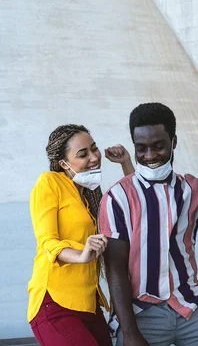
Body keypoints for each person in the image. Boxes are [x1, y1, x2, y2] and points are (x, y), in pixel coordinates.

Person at [98, 102, 198, 346]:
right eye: (141, 148)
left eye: (158, 146)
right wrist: (130, 334)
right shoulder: (117, 197)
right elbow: (115, 269)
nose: (150, 155)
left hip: (190, 304)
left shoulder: (193, 188)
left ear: (174, 142)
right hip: (142, 312)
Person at [28, 124, 131, 346]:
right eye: (83, 154)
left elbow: (136, 203)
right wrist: (81, 255)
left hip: (89, 304)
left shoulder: (92, 197)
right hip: (54, 302)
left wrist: (126, 163)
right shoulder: (49, 182)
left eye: (94, 149)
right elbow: (48, 242)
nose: (94, 157)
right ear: (64, 164)